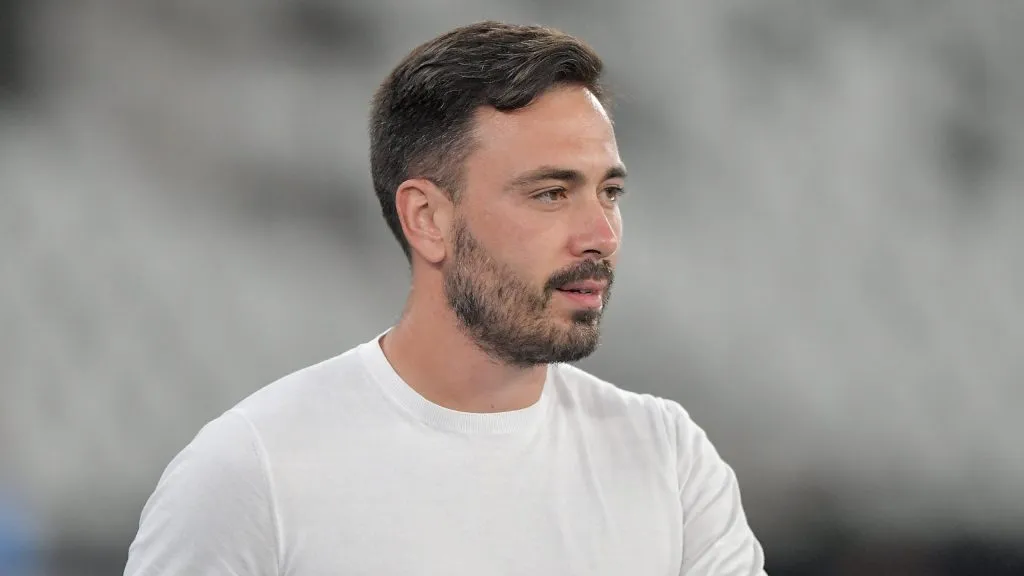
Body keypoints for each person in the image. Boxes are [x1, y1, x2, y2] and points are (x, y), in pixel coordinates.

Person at [124, 21, 766, 575]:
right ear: (427, 218)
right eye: (550, 193)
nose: (600, 235)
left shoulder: (669, 461)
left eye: (610, 193)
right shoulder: (252, 470)